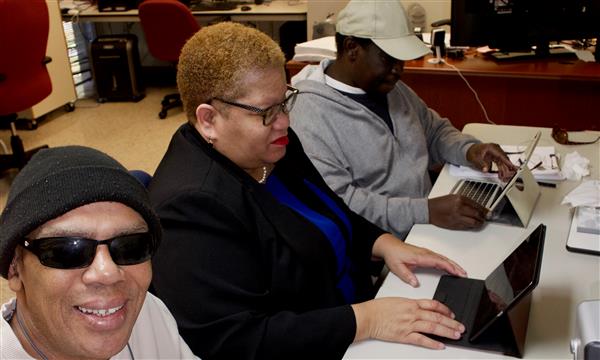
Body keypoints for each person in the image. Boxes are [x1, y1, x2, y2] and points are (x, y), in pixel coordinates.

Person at [149, 22, 467, 360]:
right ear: (209, 119)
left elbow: (331, 209)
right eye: (266, 112)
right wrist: (366, 321)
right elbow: (236, 340)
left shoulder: (273, 143)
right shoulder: (189, 206)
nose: (284, 120)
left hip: (355, 311)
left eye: (284, 100)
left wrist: (383, 243)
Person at [290, 0, 517, 239]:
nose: (399, 70)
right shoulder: (308, 116)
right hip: (386, 244)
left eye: (402, 60)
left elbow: (434, 131)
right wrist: (425, 212)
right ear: (352, 48)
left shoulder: (389, 88)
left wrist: (470, 150)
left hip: (426, 220)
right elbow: (342, 204)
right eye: (389, 59)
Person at [0, 146, 196, 359]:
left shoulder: (145, 312)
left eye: (130, 246)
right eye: (67, 250)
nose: (108, 272)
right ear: (15, 268)